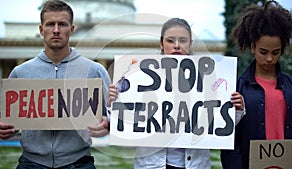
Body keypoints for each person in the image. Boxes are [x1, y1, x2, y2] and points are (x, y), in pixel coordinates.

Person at [107, 17, 245, 169]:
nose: (177, 46)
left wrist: (237, 109)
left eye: (183, 40)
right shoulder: (139, 76)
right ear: (161, 43)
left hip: (194, 164)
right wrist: (113, 102)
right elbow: (122, 124)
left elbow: (219, 124)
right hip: (153, 164)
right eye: (171, 41)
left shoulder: (207, 77)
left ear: (190, 43)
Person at [0, 0, 111, 168]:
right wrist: (3, 129)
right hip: (31, 163)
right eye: (50, 24)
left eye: (62, 24)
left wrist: (109, 124)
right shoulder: (20, 73)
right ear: (41, 29)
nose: (56, 30)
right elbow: (9, 122)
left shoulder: (94, 71)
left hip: (78, 163)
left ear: (72, 29)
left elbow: (116, 116)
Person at [220, 1, 292, 169]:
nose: (269, 59)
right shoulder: (236, 88)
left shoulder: (290, 86)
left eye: (276, 53)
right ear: (253, 47)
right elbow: (229, 140)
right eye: (263, 52)